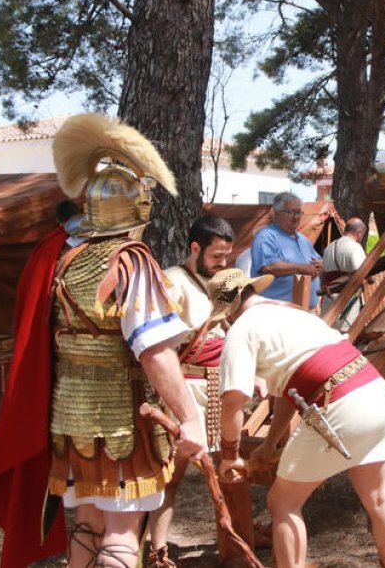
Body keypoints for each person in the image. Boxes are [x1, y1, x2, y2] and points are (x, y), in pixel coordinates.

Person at [0, 113, 204, 568]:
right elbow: (154, 349)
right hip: (119, 417)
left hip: (69, 417)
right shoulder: (132, 260)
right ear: (137, 208)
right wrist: (190, 416)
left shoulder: (63, 257)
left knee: (87, 525)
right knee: (121, 535)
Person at [217, 272, 385, 568]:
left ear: (225, 313)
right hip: (373, 389)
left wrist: (229, 455)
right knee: (377, 498)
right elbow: (288, 392)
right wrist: (270, 444)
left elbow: (232, 401)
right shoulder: (292, 312)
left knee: (283, 503)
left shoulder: (241, 330)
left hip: (339, 403)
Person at [145, 214, 236, 568]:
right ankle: (157, 550)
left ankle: (234, 540)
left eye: (227, 256)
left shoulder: (220, 282)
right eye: (216, 256)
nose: (223, 263)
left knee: (230, 471)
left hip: (218, 390)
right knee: (170, 476)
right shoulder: (172, 281)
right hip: (186, 389)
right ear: (195, 248)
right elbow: (159, 345)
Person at [250, 192, 322, 309]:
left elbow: (318, 262)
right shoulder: (266, 237)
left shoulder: (303, 239)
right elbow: (269, 267)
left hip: (303, 310)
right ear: (276, 212)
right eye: (291, 212)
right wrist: (302, 268)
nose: (296, 217)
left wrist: (321, 266)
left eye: (298, 212)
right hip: (276, 310)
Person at [320, 217, 368, 330]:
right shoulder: (355, 247)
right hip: (347, 302)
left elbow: (322, 275)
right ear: (359, 233)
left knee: (328, 334)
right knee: (346, 335)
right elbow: (361, 273)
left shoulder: (329, 247)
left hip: (328, 301)